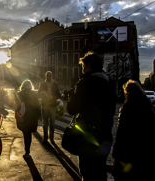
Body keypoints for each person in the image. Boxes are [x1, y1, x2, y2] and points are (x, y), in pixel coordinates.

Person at [66, 52, 116, 181]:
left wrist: (71, 96)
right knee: (100, 171)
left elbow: (72, 109)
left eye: (83, 66)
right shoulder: (109, 83)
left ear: (89, 66)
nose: (82, 69)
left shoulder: (85, 83)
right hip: (105, 136)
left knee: (87, 172)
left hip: (88, 138)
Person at [112, 80, 155, 181]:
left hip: (128, 150)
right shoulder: (148, 105)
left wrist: (116, 152)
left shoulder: (127, 106)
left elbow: (121, 132)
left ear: (127, 92)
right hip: (145, 150)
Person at [16, 80, 41, 159]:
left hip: (23, 116)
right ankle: (27, 151)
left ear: (23, 86)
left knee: (25, 134)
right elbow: (38, 106)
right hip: (32, 117)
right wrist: (39, 115)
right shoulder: (34, 94)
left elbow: (17, 105)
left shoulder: (20, 94)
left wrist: (17, 112)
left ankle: (27, 151)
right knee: (29, 134)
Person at [38, 71, 61, 143]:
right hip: (44, 105)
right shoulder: (42, 84)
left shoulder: (55, 85)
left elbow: (59, 95)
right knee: (45, 123)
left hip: (52, 106)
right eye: (47, 76)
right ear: (45, 76)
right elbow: (38, 94)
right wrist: (41, 93)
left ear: (52, 76)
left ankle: (52, 138)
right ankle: (45, 137)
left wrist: (53, 97)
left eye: (50, 76)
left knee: (52, 123)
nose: (48, 77)